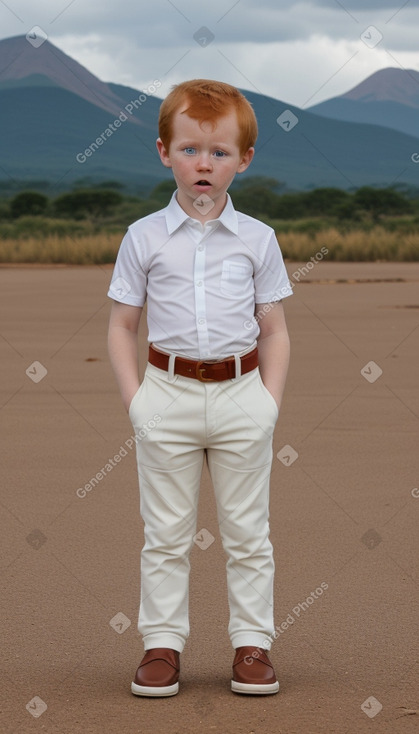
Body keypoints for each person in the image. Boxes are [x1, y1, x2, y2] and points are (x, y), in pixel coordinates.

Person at [107, 79, 292, 697]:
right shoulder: (144, 236)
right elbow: (122, 325)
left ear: (244, 159)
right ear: (164, 152)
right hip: (166, 393)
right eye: (190, 150)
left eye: (218, 153)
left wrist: (269, 402)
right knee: (165, 533)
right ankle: (161, 646)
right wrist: (138, 401)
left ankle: (252, 646)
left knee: (248, 533)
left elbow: (276, 330)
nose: (203, 164)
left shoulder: (258, 239)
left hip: (243, 396)